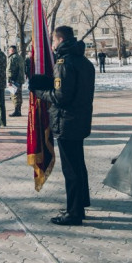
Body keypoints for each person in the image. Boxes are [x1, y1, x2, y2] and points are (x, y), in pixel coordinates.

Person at [30, 26, 95, 226]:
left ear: (59, 40)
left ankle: (74, 213)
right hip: (80, 120)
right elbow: (70, 87)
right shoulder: (84, 61)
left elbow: (61, 96)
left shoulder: (64, 62)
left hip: (67, 121)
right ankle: (80, 203)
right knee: (78, 165)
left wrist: (39, 92)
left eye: (53, 41)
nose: (52, 45)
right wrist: (48, 82)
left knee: (71, 170)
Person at [6, 45, 26, 117]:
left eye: (9, 50)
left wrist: (9, 79)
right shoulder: (20, 57)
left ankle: (17, 111)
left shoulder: (12, 58)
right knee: (19, 95)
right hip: (20, 79)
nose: (8, 51)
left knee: (14, 95)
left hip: (14, 79)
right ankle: (18, 110)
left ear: (12, 50)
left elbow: (10, 69)